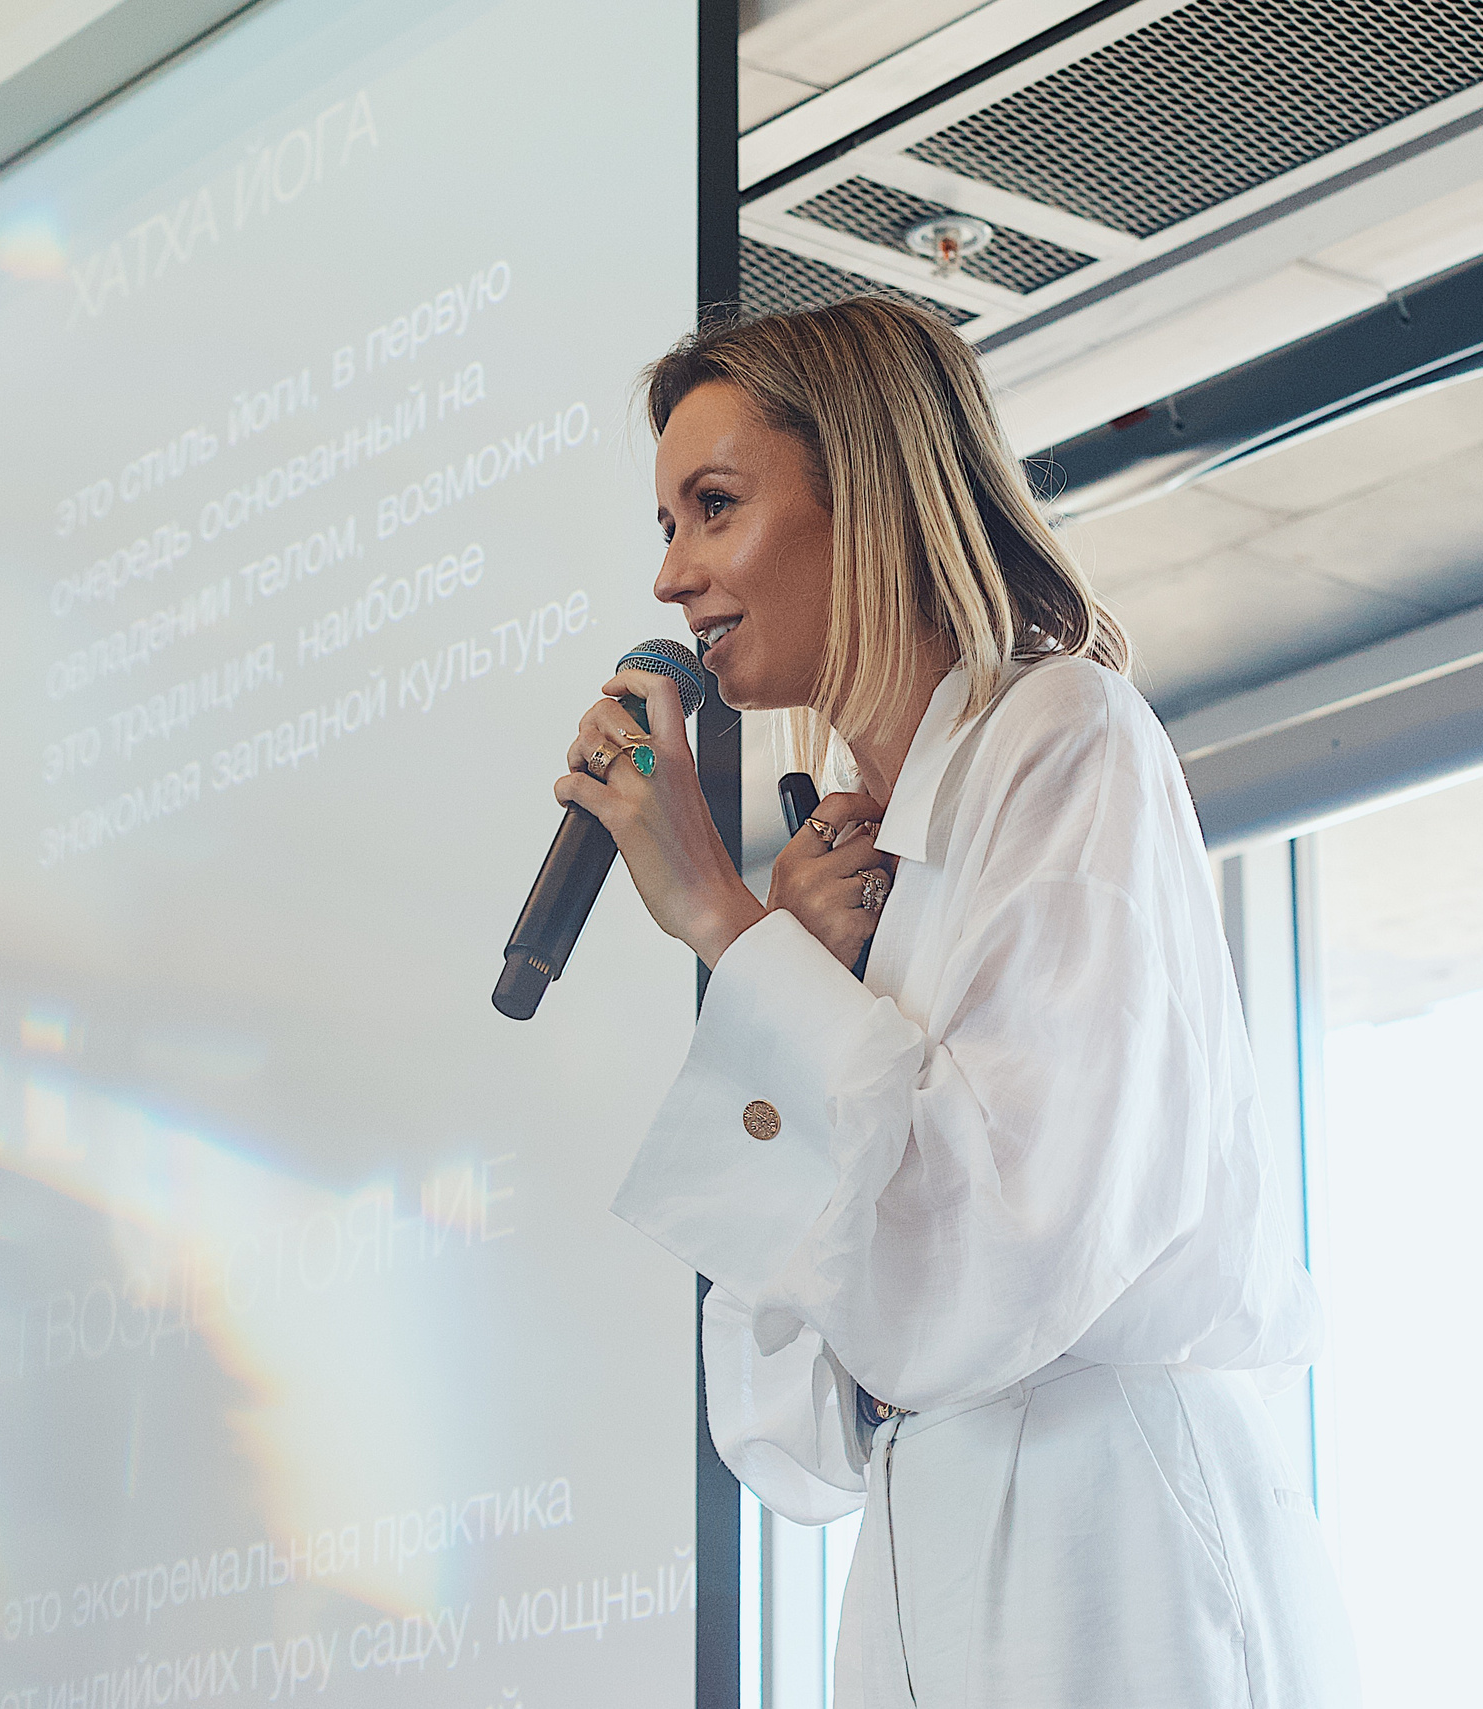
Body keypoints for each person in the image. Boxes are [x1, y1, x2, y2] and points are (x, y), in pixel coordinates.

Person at [555, 298, 1357, 1708]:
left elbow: (1013, 1243)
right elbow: (791, 1418)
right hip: (920, 1554)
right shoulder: (846, 881)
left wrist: (723, 924)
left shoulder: (1068, 738)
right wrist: (786, 970)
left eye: (715, 507)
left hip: (1101, 1538)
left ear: (864, 495)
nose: (673, 577)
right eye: (668, 526)